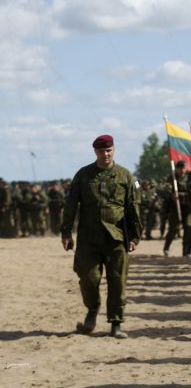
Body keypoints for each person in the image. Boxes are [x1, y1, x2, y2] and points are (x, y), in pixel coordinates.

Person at [61, 135, 141, 338]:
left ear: (114, 150)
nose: (105, 155)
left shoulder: (125, 176)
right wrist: (66, 232)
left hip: (116, 237)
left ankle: (116, 323)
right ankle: (93, 309)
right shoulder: (84, 175)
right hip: (89, 238)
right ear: (95, 152)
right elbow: (71, 205)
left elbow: (133, 207)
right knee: (88, 278)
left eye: (108, 150)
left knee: (117, 281)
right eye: (101, 151)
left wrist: (134, 236)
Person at [163, 160, 191, 257]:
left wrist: (182, 195)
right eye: (180, 168)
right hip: (174, 208)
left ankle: (186, 251)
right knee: (173, 229)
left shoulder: (189, 178)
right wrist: (172, 195)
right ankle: (166, 247)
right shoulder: (172, 178)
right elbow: (166, 189)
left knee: (187, 228)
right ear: (177, 168)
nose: (182, 170)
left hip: (187, 207)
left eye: (184, 168)